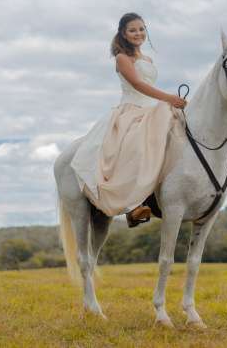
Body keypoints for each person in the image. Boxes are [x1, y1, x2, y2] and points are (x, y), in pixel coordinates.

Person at [70, 12, 187, 227]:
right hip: (132, 108)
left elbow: (148, 86)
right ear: (123, 34)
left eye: (141, 29)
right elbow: (138, 85)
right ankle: (133, 204)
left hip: (151, 107)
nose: (138, 33)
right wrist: (169, 98)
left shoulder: (148, 59)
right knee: (136, 147)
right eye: (132, 30)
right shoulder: (122, 58)